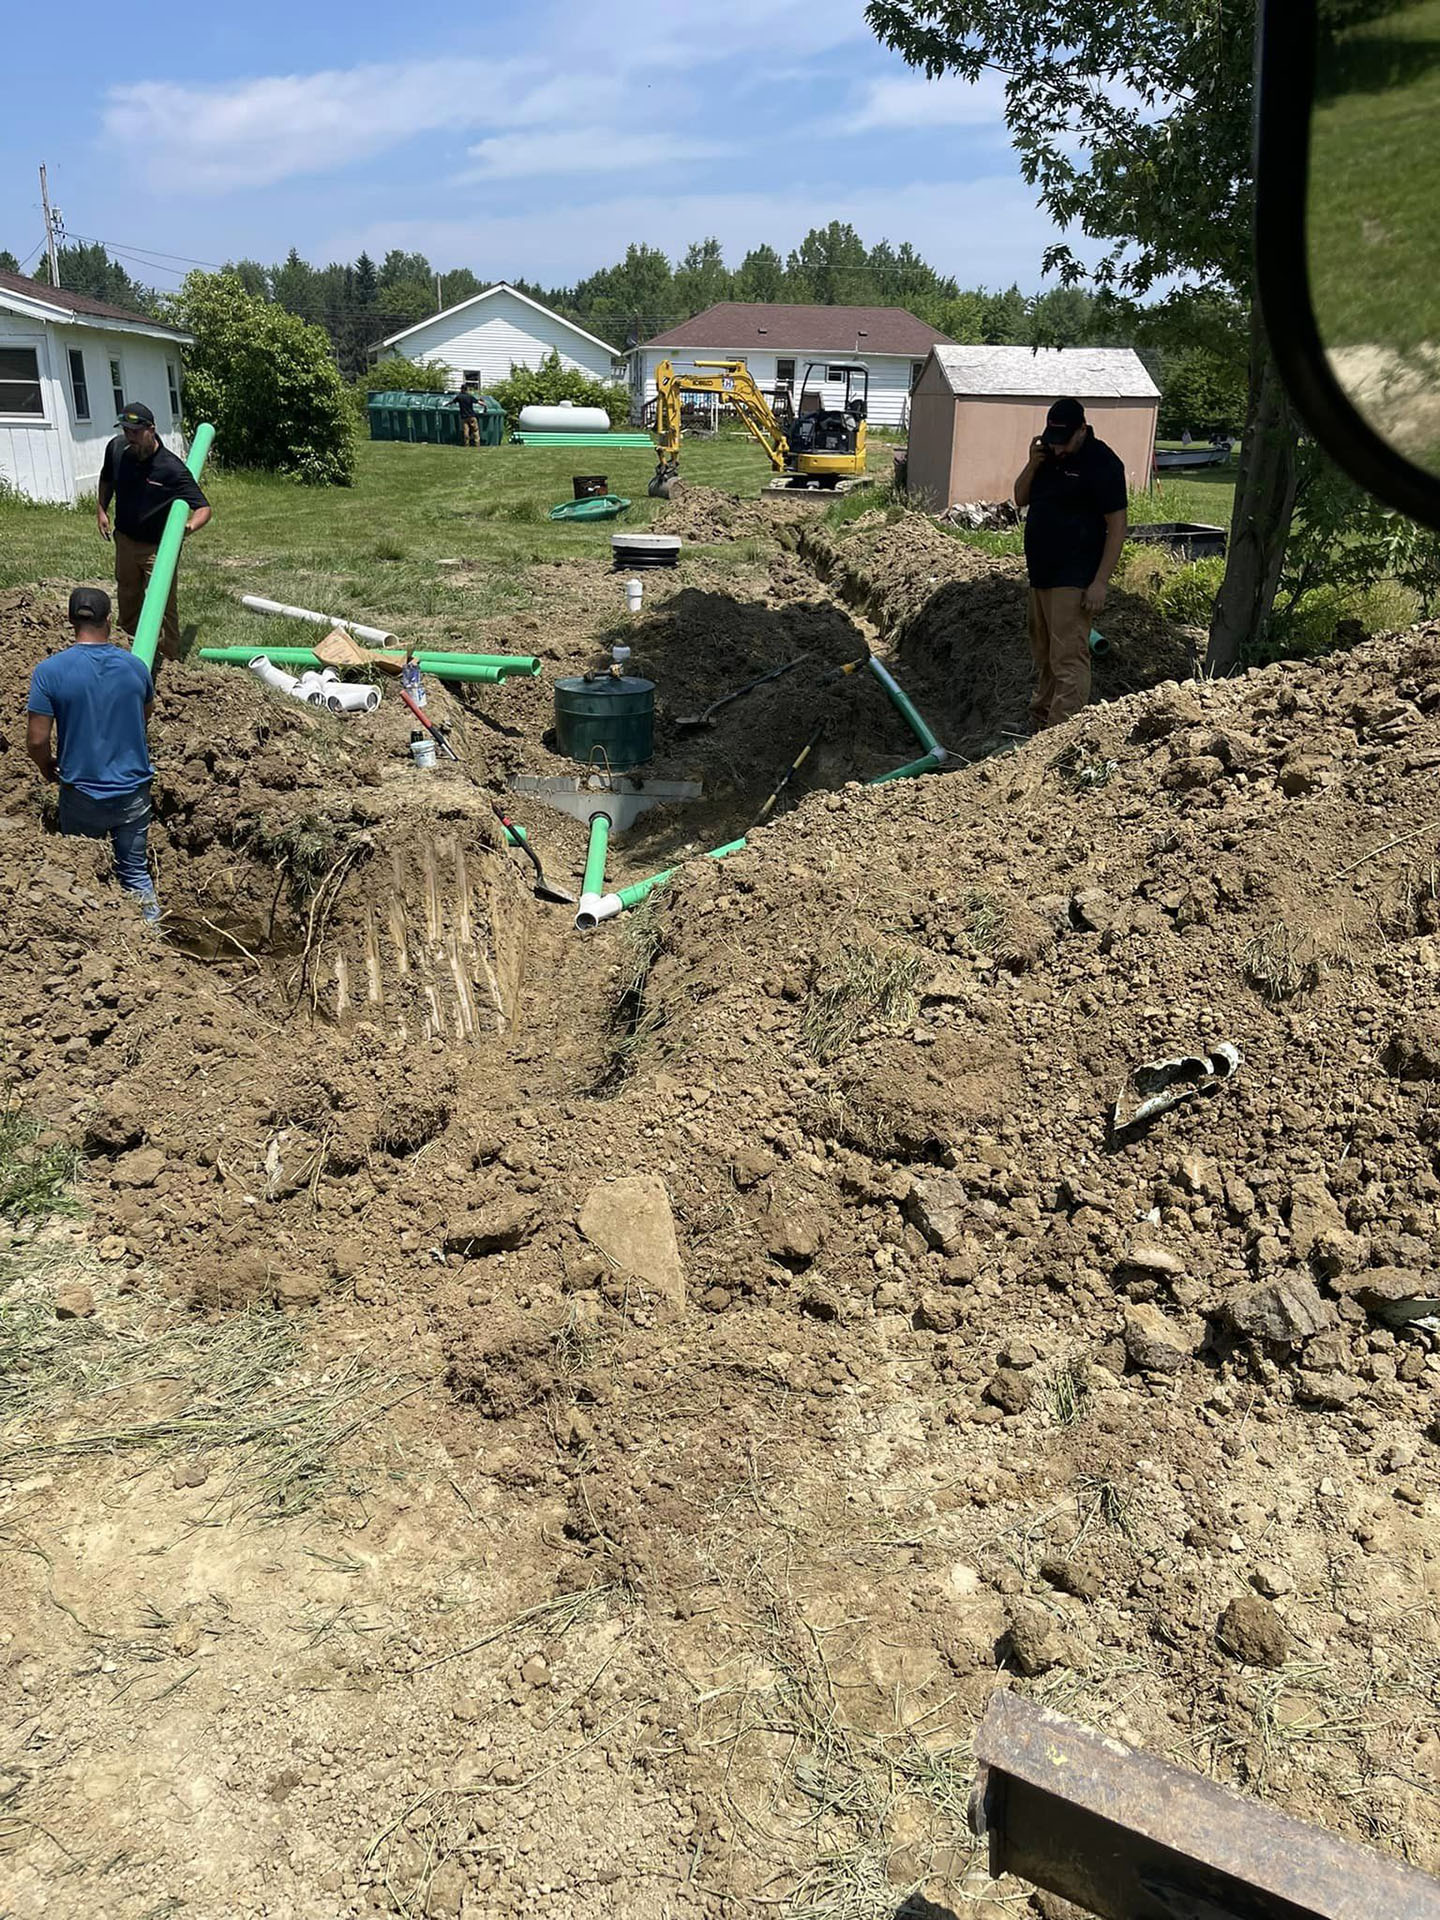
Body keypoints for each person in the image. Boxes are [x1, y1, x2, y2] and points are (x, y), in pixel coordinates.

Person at [26, 587, 160, 924]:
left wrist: (47, 769)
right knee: (135, 875)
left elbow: (37, 740)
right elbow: (145, 714)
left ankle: (99, 948)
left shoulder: (49, 672)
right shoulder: (135, 667)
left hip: (81, 794)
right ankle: (152, 943)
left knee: (81, 876)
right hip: (133, 793)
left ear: (71, 621)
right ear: (109, 620)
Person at [1014, 397, 1128, 731]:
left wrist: (1100, 582)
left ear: (1082, 429)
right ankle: (1040, 721)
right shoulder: (1047, 457)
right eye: (1053, 442)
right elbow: (1020, 497)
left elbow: (1118, 527)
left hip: (1074, 575)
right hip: (1041, 573)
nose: (1059, 450)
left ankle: (1060, 734)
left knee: (1068, 659)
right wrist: (1032, 463)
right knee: (1044, 653)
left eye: (1064, 442)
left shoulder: (1103, 463)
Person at [97, 401, 211, 663]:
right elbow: (106, 478)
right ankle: (128, 641)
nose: (130, 437)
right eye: (126, 430)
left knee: (163, 603)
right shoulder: (117, 449)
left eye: (135, 432)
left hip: (157, 548)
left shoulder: (171, 468)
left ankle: (170, 657)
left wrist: (189, 527)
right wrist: (101, 510)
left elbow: (203, 508)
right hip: (124, 540)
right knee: (127, 590)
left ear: (152, 430)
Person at [449, 383, 481, 447]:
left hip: (464, 417)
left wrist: (447, 404)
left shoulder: (459, 397)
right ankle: (477, 444)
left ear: (462, 389)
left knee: (466, 432)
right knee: (475, 431)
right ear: (466, 389)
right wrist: (485, 405)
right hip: (472, 416)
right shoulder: (470, 396)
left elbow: (452, 402)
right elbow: (478, 402)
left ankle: (466, 444)